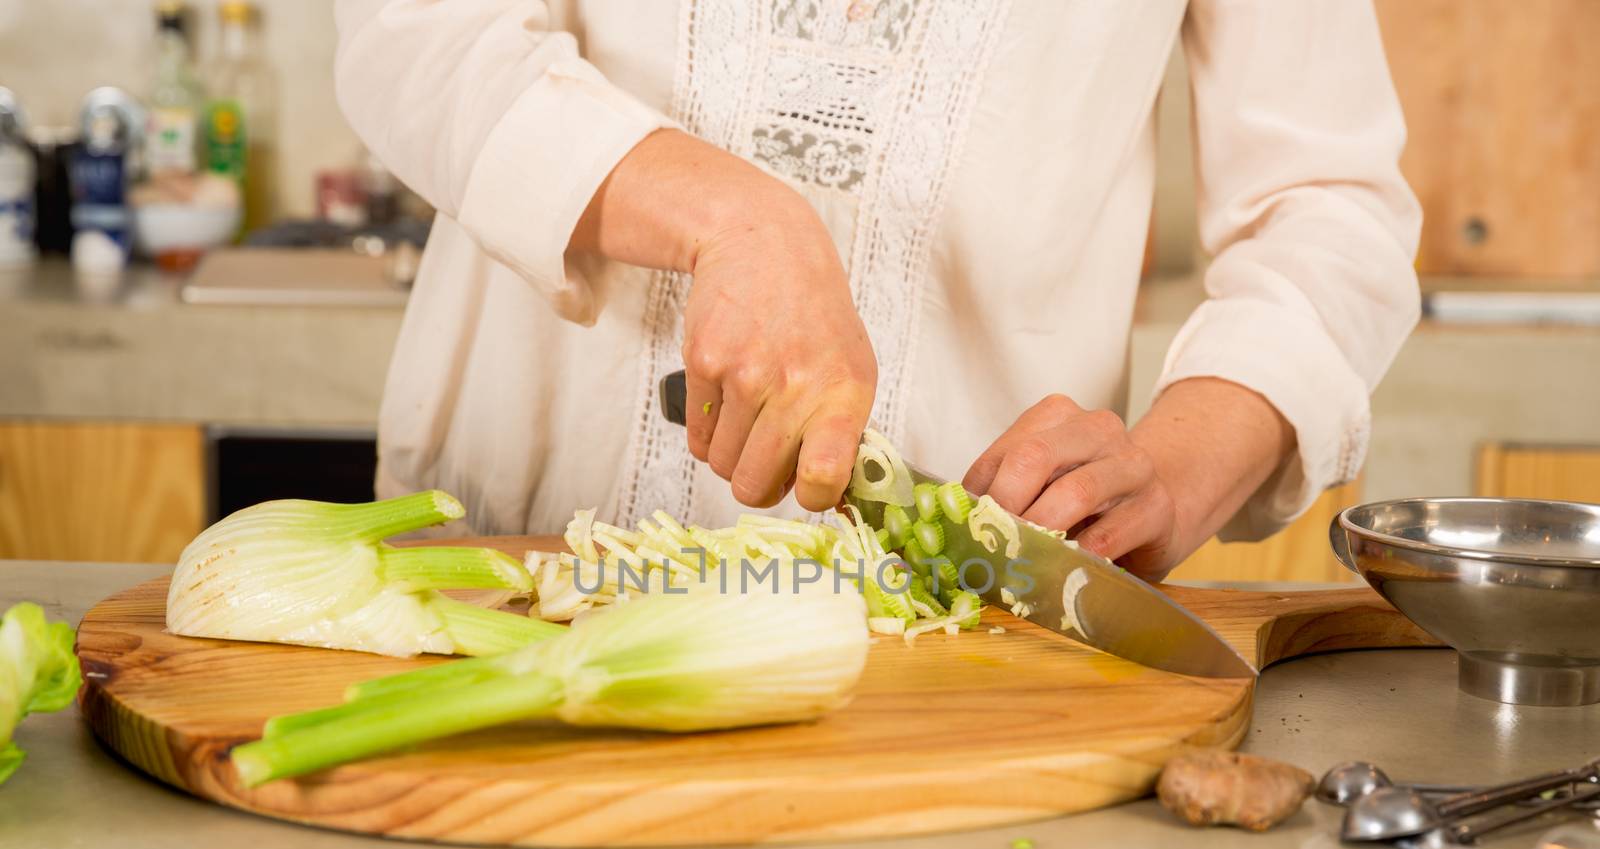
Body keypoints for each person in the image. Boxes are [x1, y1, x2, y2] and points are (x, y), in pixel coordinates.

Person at [335, 0, 1419, 579]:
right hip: (514, 579)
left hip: (964, 630)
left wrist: (1178, 472)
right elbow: (414, 35)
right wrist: (737, 220)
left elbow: (1328, 204)